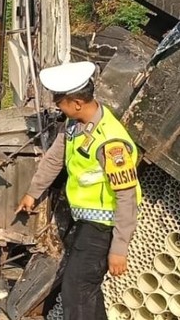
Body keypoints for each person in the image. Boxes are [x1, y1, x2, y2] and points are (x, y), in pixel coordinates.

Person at [16, 61, 141, 320]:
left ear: (76, 103)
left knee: (77, 289)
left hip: (104, 226)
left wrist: (119, 248)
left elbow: (126, 197)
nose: (58, 108)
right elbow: (54, 159)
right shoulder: (73, 126)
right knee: (85, 289)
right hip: (86, 221)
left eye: (60, 103)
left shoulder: (111, 142)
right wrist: (33, 192)